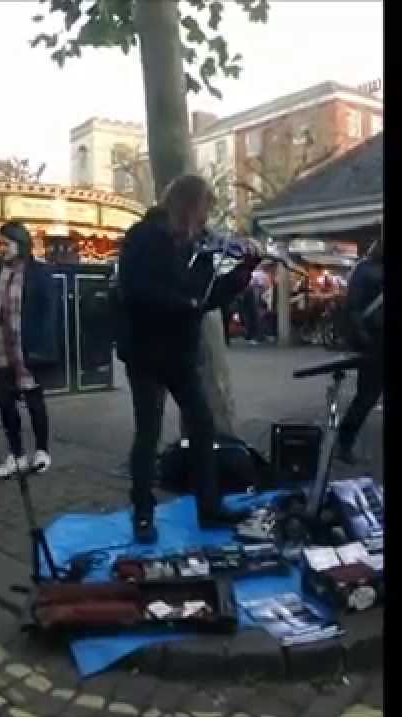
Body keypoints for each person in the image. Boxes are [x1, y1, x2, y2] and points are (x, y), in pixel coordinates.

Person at [115, 174, 261, 542]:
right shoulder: (144, 236)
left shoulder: (198, 246)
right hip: (146, 349)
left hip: (181, 352)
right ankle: (143, 513)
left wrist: (243, 273)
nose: (206, 219)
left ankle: (209, 507)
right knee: (148, 431)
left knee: (202, 425)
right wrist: (184, 302)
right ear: (188, 205)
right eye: (203, 209)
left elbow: (206, 298)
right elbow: (135, 289)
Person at [0, 222, 60, 478]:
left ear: (20, 243)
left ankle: (42, 451)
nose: (1, 248)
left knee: (35, 401)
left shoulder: (38, 273)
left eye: (6, 243)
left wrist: (43, 347)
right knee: (4, 404)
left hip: (28, 349)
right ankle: (16, 455)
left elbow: (50, 312)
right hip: (0, 348)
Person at [335, 236, 387, 465]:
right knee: (367, 397)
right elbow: (353, 307)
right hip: (375, 343)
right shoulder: (365, 271)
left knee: (367, 396)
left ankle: (343, 443)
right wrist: (363, 338)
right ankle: (343, 443)